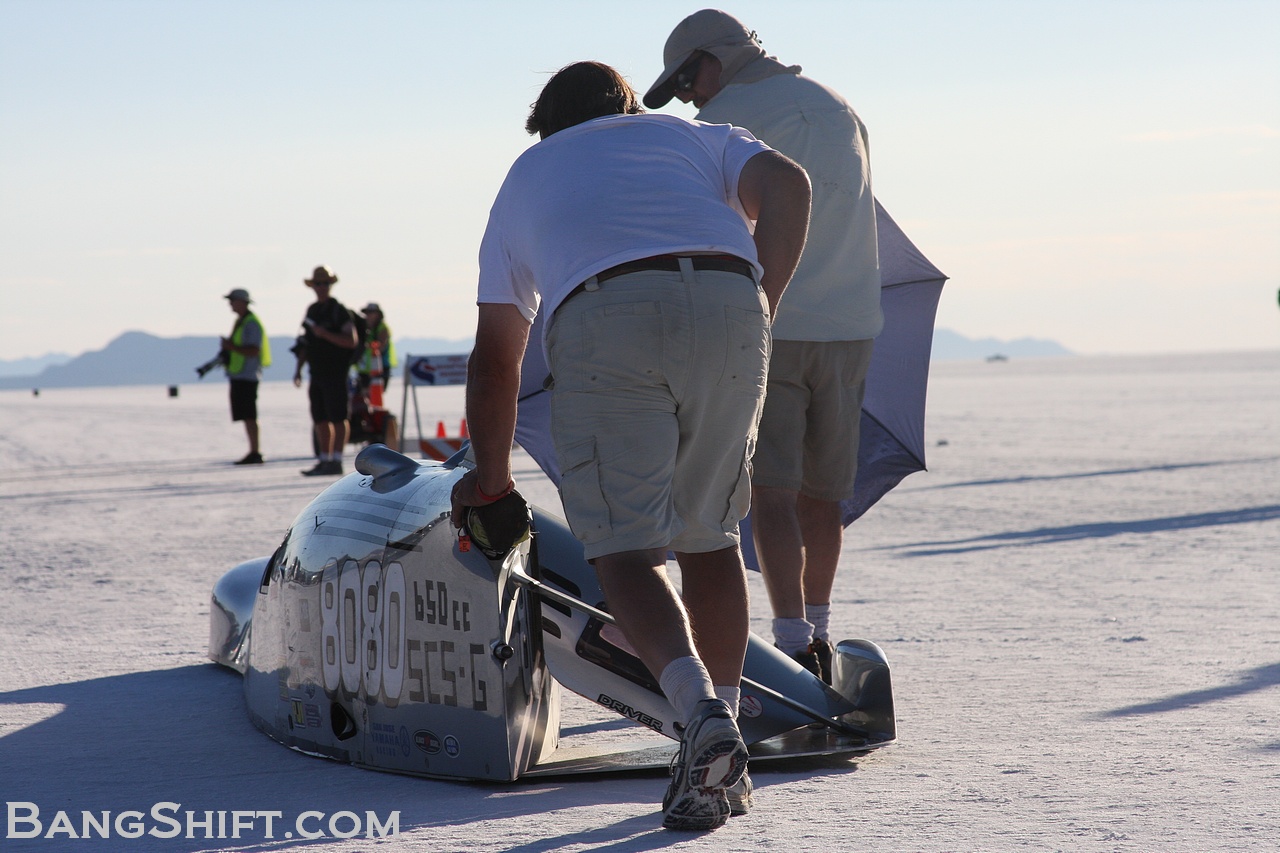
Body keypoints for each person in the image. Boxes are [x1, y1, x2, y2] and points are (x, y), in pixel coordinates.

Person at [449, 61, 810, 831]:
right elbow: (789, 184)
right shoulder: (693, 137)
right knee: (710, 540)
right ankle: (723, 747)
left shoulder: (529, 173)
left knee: (626, 551)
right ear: (631, 107)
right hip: (730, 299)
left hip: (605, 312)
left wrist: (488, 479)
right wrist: (760, 303)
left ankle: (703, 718)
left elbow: (497, 356)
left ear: (548, 127)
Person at [646, 10, 884, 683]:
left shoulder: (722, 128)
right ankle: (822, 625)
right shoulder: (839, 108)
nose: (689, 97)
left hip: (767, 322)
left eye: (686, 80)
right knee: (823, 495)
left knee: (771, 495)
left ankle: (790, 638)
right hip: (852, 323)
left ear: (711, 60)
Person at [293, 265, 358, 476]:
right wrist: (298, 369)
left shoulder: (338, 311)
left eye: (325, 283)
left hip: (336, 372)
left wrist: (325, 334)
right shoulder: (313, 311)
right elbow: (306, 343)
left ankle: (337, 460)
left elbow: (351, 341)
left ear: (331, 285)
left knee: (338, 417)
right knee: (320, 418)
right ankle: (324, 459)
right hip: (317, 372)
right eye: (318, 283)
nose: (321, 287)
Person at [221, 288, 270, 465]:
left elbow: (253, 350)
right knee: (246, 414)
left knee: (250, 414)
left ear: (242, 301)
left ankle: (255, 451)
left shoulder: (250, 323)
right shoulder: (241, 322)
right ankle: (253, 450)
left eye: (232, 301)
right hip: (240, 375)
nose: (230, 304)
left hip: (247, 376)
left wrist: (231, 347)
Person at [356, 302, 396, 392]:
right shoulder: (363, 327)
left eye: (372, 312)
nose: (369, 315)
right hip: (364, 367)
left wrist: (366, 346)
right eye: (367, 313)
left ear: (378, 315)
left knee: (376, 393)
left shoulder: (382, 328)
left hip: (380, 367)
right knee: (362, 394)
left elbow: (380, 346)